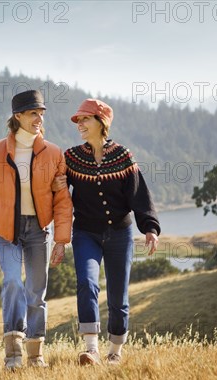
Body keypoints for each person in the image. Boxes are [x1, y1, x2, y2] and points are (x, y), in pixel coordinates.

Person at [0, 90, 73, 370]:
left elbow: (62, 200)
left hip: (39, 230)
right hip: (6, 230)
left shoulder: (53, 153)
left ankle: (35, 354)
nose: (39, 118)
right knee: (13, 282)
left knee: (36, 292)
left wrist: (62, 238)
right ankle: (13, 354)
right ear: (17, 116)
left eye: (41, 113)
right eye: (33, 113)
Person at [52, 98, 160, 365]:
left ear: (101, 123)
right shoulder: (72, 157)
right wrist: (58, 184)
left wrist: (150, 228)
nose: (80, 125)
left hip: (120, 235)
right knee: (87, 283)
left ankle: (115, 351)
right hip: (85, 233)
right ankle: (91, 349)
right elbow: (59, 193)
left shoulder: (123, 157)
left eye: (85, 119)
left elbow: (139, 196)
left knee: (117, 294)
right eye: (78, 121)